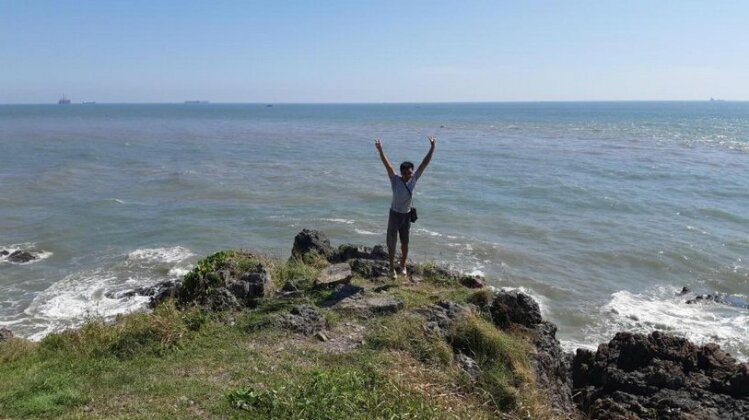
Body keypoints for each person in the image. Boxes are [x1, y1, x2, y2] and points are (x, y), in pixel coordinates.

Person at [375, 136, 436, 280]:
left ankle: (403, 265)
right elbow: (387, 165)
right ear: (401, 172)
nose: (408, 175)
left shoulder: (414, 180)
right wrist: (380, 150)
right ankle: (391, 268)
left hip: (406, 216)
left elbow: (424, 164)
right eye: (405, 173)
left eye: (410, 173)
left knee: (405, 243)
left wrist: (432, 148)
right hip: (394, 214)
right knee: (391, 243)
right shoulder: (395, 180)